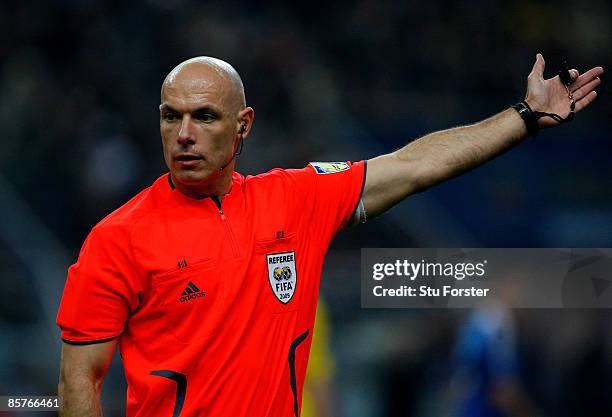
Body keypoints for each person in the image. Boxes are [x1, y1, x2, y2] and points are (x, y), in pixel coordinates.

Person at [56, 55, 602, 417]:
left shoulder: (297, 199)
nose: (185, 135)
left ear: (243, 124)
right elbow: (80, 380)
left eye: (204, 117)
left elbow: (412, 166)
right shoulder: (117, 239)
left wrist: (524, 116)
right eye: (170, 117)